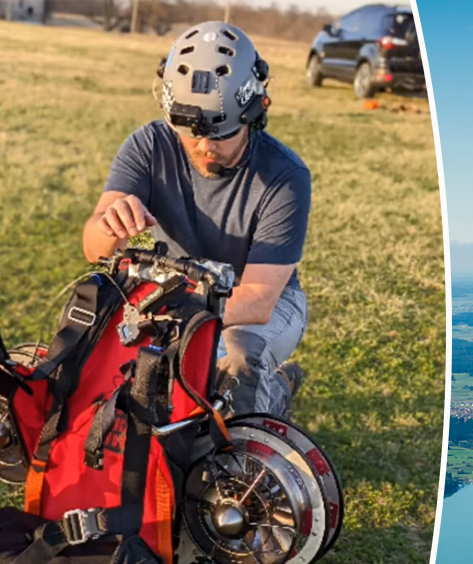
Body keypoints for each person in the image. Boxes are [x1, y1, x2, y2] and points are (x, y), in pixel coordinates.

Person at [82, 21, 310, 418]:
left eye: (221, 134)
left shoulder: (285, 176)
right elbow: (92, 247)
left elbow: (258, 298)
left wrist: (177, 313)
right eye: (191, 133)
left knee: (232, 368)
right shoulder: (149, 145)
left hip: (265, 303)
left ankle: (270, 399)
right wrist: (108, 225)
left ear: (253, 113)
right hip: (178, 293)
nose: (205, 147)